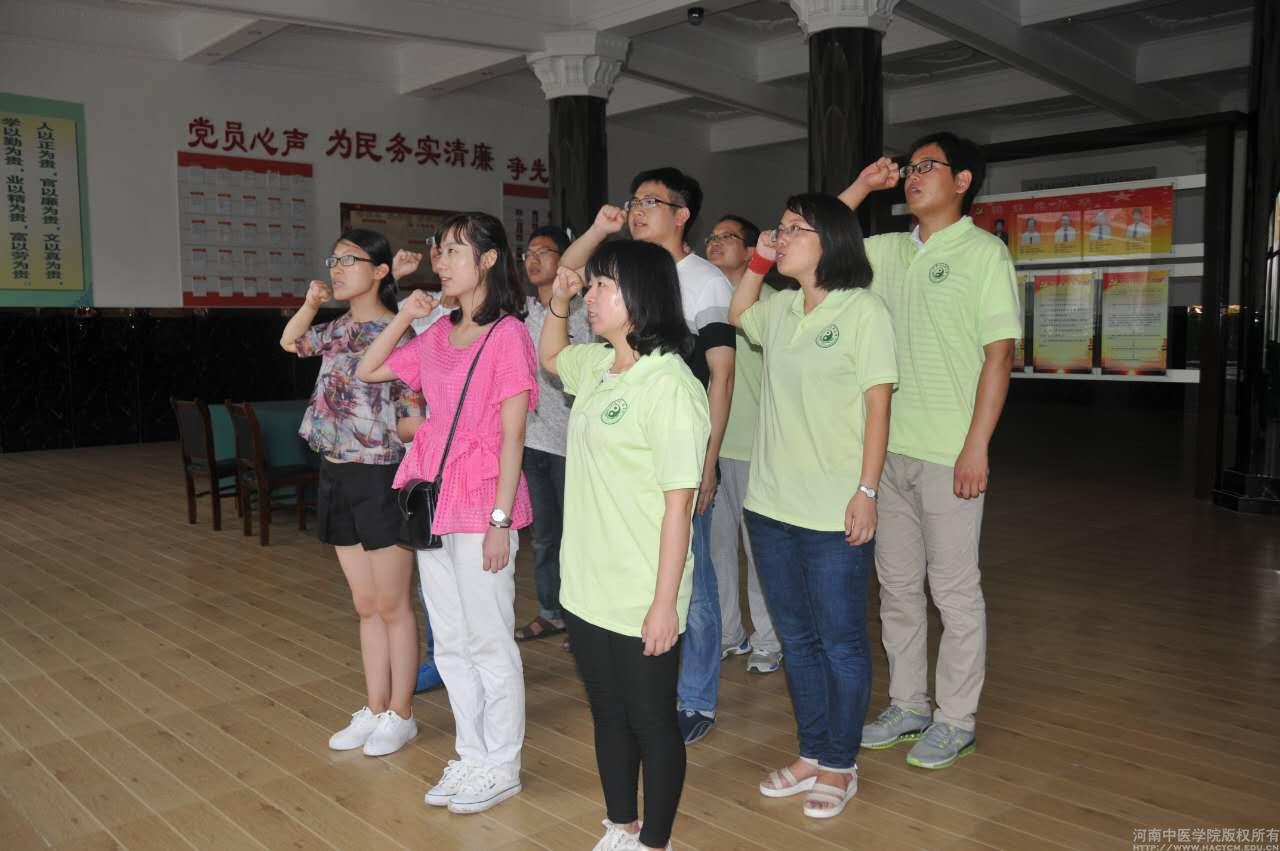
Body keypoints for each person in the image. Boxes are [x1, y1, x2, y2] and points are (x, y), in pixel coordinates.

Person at [840, 132, 1023, 770]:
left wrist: (977, 446)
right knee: (896, 589)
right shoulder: (885, 250)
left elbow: (999, 357)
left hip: (950, 453)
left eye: (928, 167)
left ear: (963, 181)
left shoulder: (984, 254)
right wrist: (863, 186)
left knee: (954, 591)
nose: (913, 176)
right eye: (910, 168)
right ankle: (909, 705)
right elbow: (814, 242)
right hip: (886, 452)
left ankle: (956, 719)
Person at [357, 212, 537, 814]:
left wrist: (499, 522)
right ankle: (471, 753)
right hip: (434, 498)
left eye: (456, 251)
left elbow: (513, 437)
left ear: (488, 259)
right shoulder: (436, 333)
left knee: (490, 641)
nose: (442, 261)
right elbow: (369, 369)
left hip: (482, 499)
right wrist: (405, 315)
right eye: (441, 250)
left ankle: (501, 763)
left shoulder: (507, 335)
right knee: (453, 642)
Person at [728, 193, 896, 819]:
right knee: (797, 639)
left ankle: (840, 763)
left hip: (834, 510)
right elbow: (738, 311)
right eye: (781, 228)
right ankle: (813, 751)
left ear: (831, 242)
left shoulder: (863, 311)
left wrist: (867, 491)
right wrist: (757, 260)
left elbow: (878, 407)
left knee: (841, 641)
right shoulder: (779, 308)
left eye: (796, 229)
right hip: (770, 506)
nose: (783, 237)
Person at [539, 240, 709, 851]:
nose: (591, 296)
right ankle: (621, 825)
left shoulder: (670, 385)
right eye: (592, 285)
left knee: (651, 721)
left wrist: (665, 604)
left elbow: (679, 507)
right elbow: (550, 356)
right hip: (587, 583)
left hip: (642, 587)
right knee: (608, 712)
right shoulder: (598, 364)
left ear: (640, 296)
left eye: (603, 286)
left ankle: (655, 841)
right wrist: (559, 301)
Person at [560, 167, 734, 746]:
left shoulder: (703, 280)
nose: (637, 209)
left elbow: (720, 373)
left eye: (652, 202)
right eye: (634, 200)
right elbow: (565, 285)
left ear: (682, 215)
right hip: (632, 442)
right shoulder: (617, 271)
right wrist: (595, 233)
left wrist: (707, 461)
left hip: (677, 445)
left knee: (691, 582)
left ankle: (695, 697)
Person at [280, 229, 424, 757]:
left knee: (392, 604)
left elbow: (411, 413)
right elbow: (290, 341)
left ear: (380, 271)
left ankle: (401, 714)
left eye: (349, 261)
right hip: (335, 472)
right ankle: (375, 705)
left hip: (381, 475)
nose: (337, 269)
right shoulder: (337, 327)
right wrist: (311, 302)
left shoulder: (401, 332)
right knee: (365, 605)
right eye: (333, 260)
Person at [702, 214, 782, 675]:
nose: (714, 243)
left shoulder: (772, 304)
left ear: (753, 250)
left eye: (726, 237)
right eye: (711, 237)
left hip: (758, 447)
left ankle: (769, 640)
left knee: (759, 552)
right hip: (713, 446)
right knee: (716, 550)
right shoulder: (706, 301)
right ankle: (729, 633)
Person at [513, 225, 592, 648]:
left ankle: (584, 620)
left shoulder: (582, 311)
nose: (533, 259)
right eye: (528, 252)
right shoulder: (520, 312)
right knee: (544, 537)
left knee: (579, 537)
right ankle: (550, 612)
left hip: (574, 443)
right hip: (533, 442)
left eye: (544, 251)